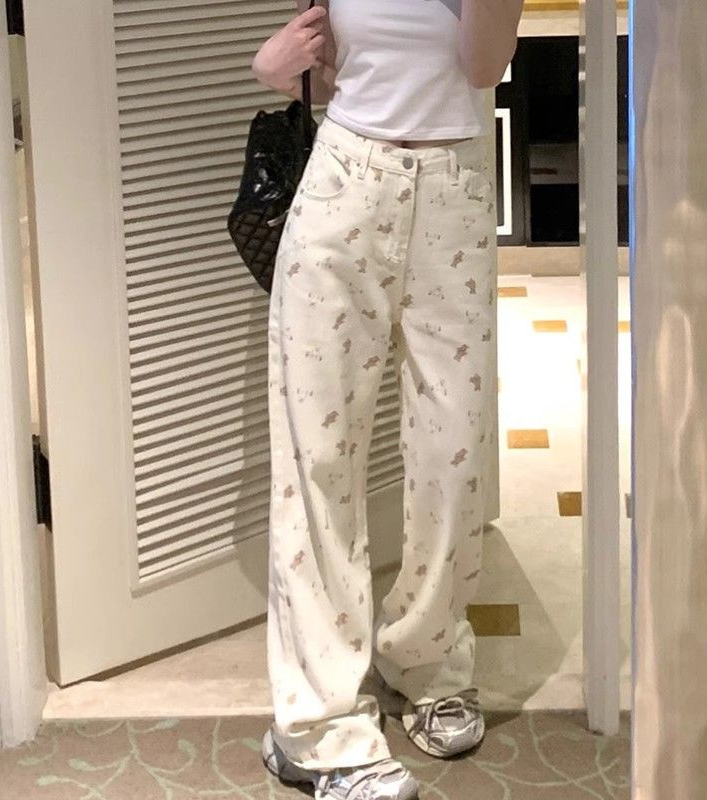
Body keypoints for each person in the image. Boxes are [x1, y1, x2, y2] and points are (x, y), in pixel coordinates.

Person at [251, 2, 523, 798]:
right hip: (344, 180)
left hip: (453, 189)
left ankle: (427, 656)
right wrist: (271, 68)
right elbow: (336, 60)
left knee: (454, 452)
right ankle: (318, 726)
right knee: (318, 458)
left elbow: (481, 66)